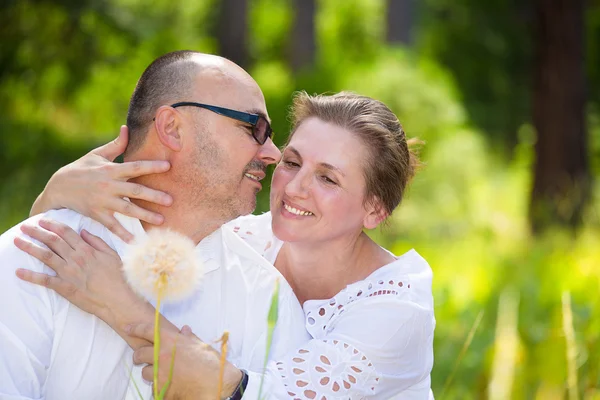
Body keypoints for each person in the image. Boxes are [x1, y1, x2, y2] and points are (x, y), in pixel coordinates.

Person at [18, 91, 436, 398]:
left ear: (375, 210)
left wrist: (118, 300)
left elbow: (245, 392)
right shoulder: (242, 239)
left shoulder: (397, 309)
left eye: (328, 178)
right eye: (292, 163)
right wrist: (52, 197)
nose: (295, 188)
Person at [0, 50, 310, 400]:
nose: (272, 153)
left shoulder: (266, 296)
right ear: (172, 128)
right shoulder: (33, 256)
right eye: (255, 128)